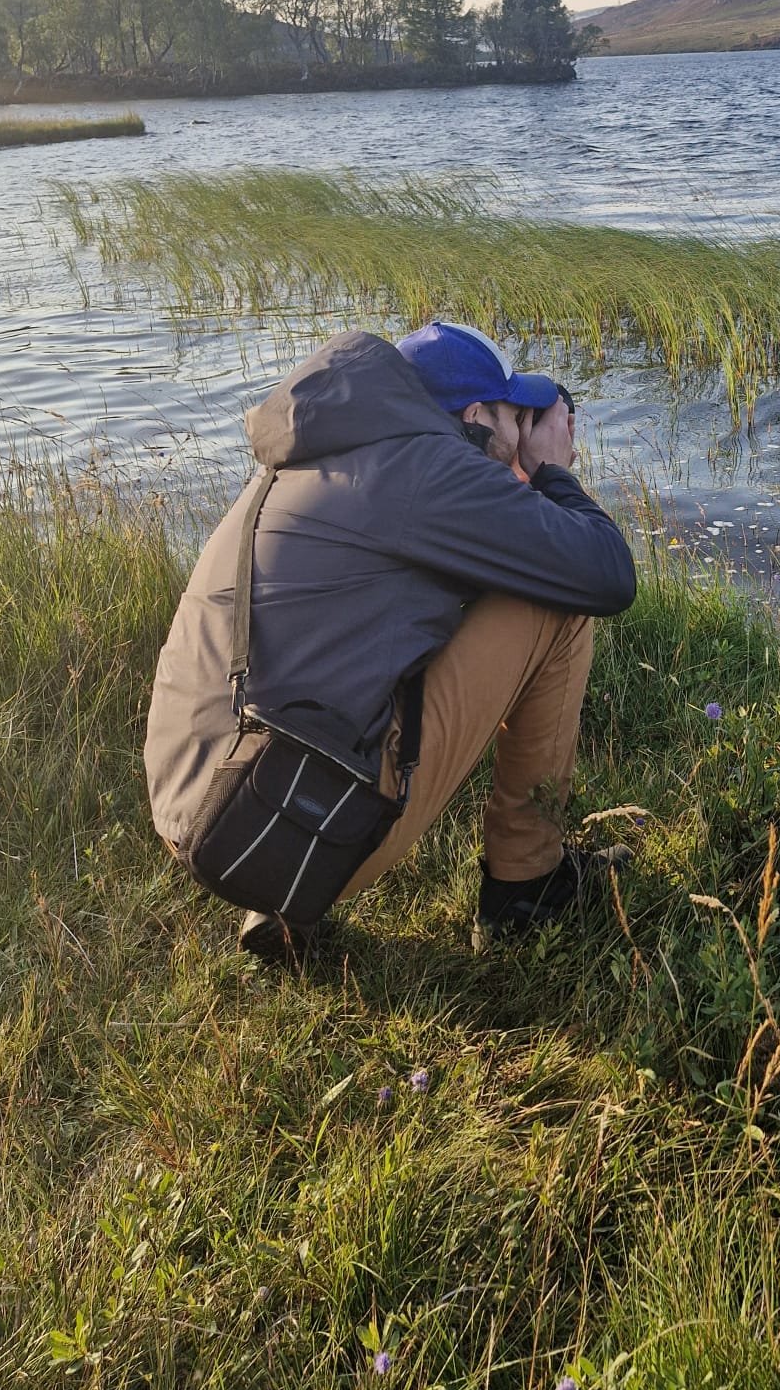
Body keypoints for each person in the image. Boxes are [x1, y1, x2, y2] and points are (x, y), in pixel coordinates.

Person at [144, 319, 637, 963]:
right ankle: (530, 882)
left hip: (207, 800)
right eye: (517, 415)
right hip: (282, 824)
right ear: (476, 414)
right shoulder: (428, 470)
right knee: (555, 607)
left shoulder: (320, 455)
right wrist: (550, 474)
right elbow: (605, 574)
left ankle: (278, 898)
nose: (523, 433)